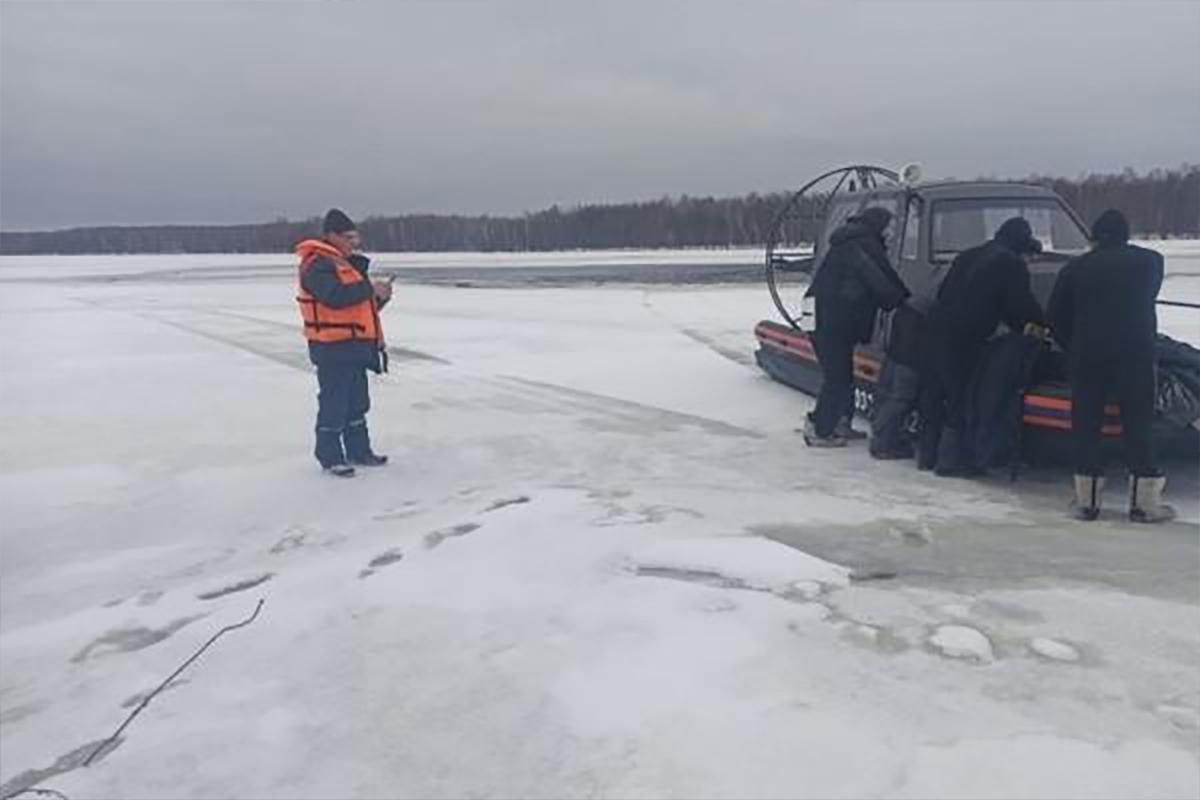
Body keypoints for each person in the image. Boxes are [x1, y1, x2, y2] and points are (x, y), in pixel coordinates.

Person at [1047, 209, 1174, 523]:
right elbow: (1148, 293)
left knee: (1087, 424)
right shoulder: (1150, 261)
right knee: (1139, 423)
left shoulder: (1075, 269)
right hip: (1136, 351)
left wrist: (1071, 344)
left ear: (1093, 236)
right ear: (1125, 233)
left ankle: (1086, 501)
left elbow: (1055, 315)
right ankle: (1144, 502)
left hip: (1088, 353)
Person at [918, 217, 1047, 476]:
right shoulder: (1010, 264)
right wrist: (1040, 325)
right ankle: (952, 461)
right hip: (967, 336)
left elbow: (944, 292)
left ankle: (927, 454)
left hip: (936, 328)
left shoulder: (968, 255)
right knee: (962, 396)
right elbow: (1019, 305)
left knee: (934, 392)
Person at [294, 209, 393, 477]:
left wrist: (379, 298)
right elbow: (334, 296)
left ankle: (359, 451)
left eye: (355, 237)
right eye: (348, 237)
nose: (354, 243)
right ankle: (330, 457)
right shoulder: (317, 265)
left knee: (357, 403)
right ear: (332, 236)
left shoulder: (345, 264)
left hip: (354, 345)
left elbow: (358, 307)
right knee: (334, 403)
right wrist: (370, 288)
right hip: (332, 347)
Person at [803, 206, 909, 447]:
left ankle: (840, 422)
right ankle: (819, 428)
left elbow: (883, 276)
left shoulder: (851, 241)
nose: (891, 232)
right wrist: (905, 302)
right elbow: (880, 281)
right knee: (837, 377)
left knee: (842, 373)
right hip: (832, 320)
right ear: (878, 224)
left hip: (821, 315)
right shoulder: (863, 245)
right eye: (889, 226)